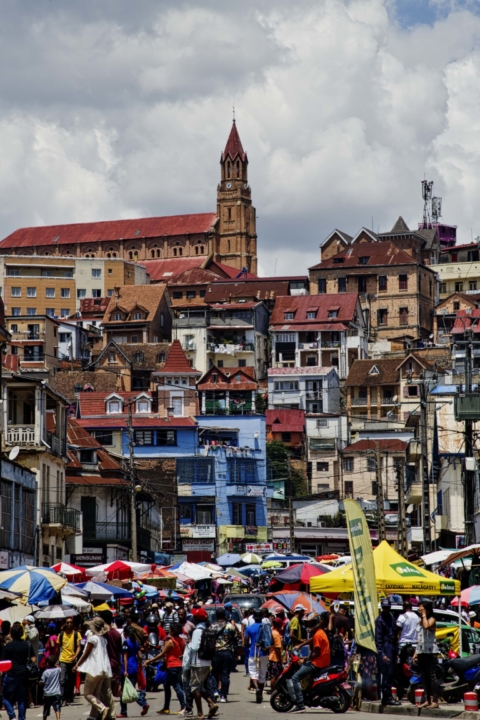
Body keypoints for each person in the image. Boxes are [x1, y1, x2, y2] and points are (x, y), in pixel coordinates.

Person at [73, 617, 112, 720]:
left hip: (94, 669)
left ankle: (102, 708)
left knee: (87, 694)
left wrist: (77, 665)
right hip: (103, 669)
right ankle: (92, 716)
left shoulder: (93, 639)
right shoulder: (103, 640)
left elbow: (86, 654)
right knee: (96, 693)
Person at [291, 613, 330, 713]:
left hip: (317, 663)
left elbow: (316, 653)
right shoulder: (319, 632)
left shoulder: (317, 634)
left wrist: (305, 659)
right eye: (308, 623)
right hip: (322, 661)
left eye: (311, 623)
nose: (309, 625)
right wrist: (300, 645)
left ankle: (300, 705)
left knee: (295, 678)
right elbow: (312, 640)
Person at [146, 622, 185, 715]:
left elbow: (162, 654)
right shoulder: (181, 640)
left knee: (177, 687)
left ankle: (184, 707)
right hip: (178, 665)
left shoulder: (171, 641)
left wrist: (149, 661)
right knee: (166, 686)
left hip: (172, 666)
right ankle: (166, 707)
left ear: (172, 631)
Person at [1, 622, 37, 720]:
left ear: (11, 634)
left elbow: (3, 661)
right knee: (21, 699)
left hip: (11, 674)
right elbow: (33, 659)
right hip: (24, 675)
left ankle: (12, 716)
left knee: (5, 696)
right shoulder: (27, 645)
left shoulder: (8, 646)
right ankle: (21, 718)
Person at [189, 608, 218, 720]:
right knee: (200, 687)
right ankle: (211, 703)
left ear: (196, 618)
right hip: (207, 662)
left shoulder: (197, 631)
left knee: (195, 688)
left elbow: (194, 648)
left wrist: (189, 644)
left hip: (197, 663)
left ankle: (200, 713)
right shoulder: (207, 629)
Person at [117, 624, 149, 718]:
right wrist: (140, 664)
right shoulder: (136, 642)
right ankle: (142, 704)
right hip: (134, 668)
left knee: (125, 691)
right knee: (131, 690)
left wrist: (125, 670)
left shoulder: (126, 643)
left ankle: (124, 711)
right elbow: (140, 656)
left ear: (125, 633)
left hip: (127, 668)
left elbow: (125, 658)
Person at [375, 598, 400, 707]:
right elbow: (378, 638)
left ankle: (388, 696)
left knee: (391, 673)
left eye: (387, 607)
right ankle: (386, 697)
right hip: (386, 647)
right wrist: (382, 654)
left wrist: (396, 650)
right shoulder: (380, 620)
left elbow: (395, 634)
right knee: (387, 673)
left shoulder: (391, 618)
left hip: (392, 646)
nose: (386, 609)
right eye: (384, 607)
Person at [97, 610, 122, 719]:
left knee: (104, 691)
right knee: (107, 690)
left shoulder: (102, 634)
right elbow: (119, 651)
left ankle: (108, 713)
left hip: (104, 664)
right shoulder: (116, 634)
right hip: (115, 664)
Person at [414, 600, 438, 710]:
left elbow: (427, 626)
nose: (420, 611)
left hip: (430, 651)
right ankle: (427, 700)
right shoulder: (420, 621)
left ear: (427, 610)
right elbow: (419, 638)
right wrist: (415, 653)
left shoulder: (432, 619)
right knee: (424, 676)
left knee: (431, 675)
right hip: (421, 651)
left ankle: (435, 700)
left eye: (422, 609)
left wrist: (424, 615)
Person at [210, 608, 238, 703]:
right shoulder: (230, 626)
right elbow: (235, 639)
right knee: (225, 675)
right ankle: (223, 696)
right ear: (225, 615)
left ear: (216, 616)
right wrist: (235, 653)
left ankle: (215, 691)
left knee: (214, 673)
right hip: (227, 653)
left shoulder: (212, 626)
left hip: (215, 653)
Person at [244, 610, 269, 704]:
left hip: (253, 653)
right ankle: (260, 694)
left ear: (253, 618)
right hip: (264, 653)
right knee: (262, 674)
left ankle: (257, 688)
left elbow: (246, 642)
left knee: (253, 673)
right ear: (262, 617)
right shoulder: (266, 627)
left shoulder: (249, 628)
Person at [56, 618, 82, 706]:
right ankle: (62, 698)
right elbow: (58, 648)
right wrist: (57, 660)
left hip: (72, 660)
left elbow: (79, 646)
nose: (69, 624)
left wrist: (75, 656)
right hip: (63, 659)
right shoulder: (61, 635)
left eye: (71, 622)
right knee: (62, 680)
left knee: (71, 680)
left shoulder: (76, 634)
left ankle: (69, 698)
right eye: (67, 622)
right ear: (65, 624)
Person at [41, 655, 62, 720]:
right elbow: (59, 667)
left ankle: (44, 719)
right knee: (57, 707)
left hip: (47, 693)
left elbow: (42, 681)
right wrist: (56, 665)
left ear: (47, 663)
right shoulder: (58, 670)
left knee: (46, 708)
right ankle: (58, 718)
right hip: (56, 692)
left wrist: (38, 683)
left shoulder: (45, 672)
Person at [267, 618, 284, 692]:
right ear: (279, 625)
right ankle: (274, 691)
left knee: (273, 675)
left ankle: (273, 690)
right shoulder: (276, 634)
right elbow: (277, 648)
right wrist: (281, 658)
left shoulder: (271, 631)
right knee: (275, 676)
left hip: (271, 656)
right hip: (275, 658)